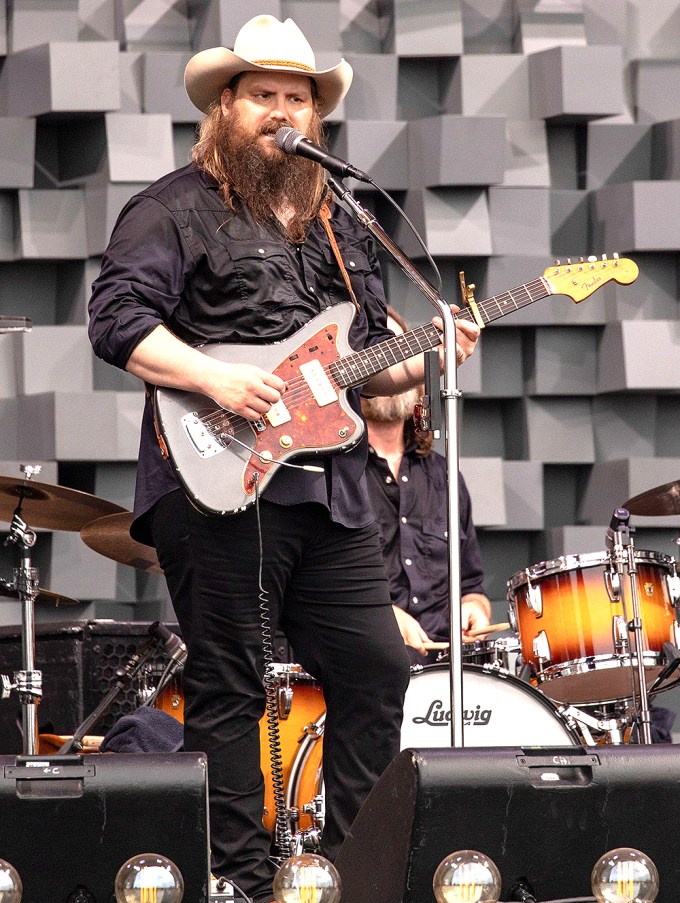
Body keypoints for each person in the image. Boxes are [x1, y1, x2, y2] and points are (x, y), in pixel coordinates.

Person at [87, 14, 480, 903]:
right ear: (224, 107)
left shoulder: (338, 219)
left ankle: (341, 874)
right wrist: (217, 380)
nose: (280, 111)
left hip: (328, 497)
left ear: (317, 114)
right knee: (227, 689)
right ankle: (246, 879)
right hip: (216, 483)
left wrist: (434, 353)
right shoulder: (169, 207)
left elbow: (371, 373)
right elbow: (115, 323)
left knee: (378, 667)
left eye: (295, 97)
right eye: (261, 95)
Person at [362, 307, 492, 667]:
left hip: (446, 670)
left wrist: (473, 607)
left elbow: (471, 584)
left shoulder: (445, 476)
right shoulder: (329, 477)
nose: (394, 363)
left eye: (401, 349)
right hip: (367, 668)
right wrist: (381, 615)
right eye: (377, 355)